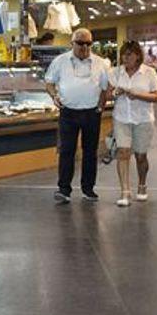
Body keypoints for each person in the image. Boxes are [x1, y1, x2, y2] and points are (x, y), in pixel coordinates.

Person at [44, 27, 110, 204]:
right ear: (72, 43)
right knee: (67, 151)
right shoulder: (60, 61)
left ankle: (88, 189)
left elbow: (105, 87)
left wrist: (101, 105)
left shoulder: (101, 63)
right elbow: (49, 82)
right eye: (80, 43)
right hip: (68, 112)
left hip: (91, 113)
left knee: (90, 152)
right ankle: (64, 189)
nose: (84, 47)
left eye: (88, 43)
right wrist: (54, 96)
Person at [109, 41, 157, 207]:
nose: (126, 58)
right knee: (123, 152)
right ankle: (125, 191)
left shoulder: (149, 72)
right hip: (122, 118)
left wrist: (138, 94)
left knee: (140, 155)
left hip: (143, 119)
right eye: (124, 54)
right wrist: (115, 93)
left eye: (130, 54)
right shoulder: (115, 72)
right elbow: (108, 93)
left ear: (138, 56)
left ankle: (142, 185)